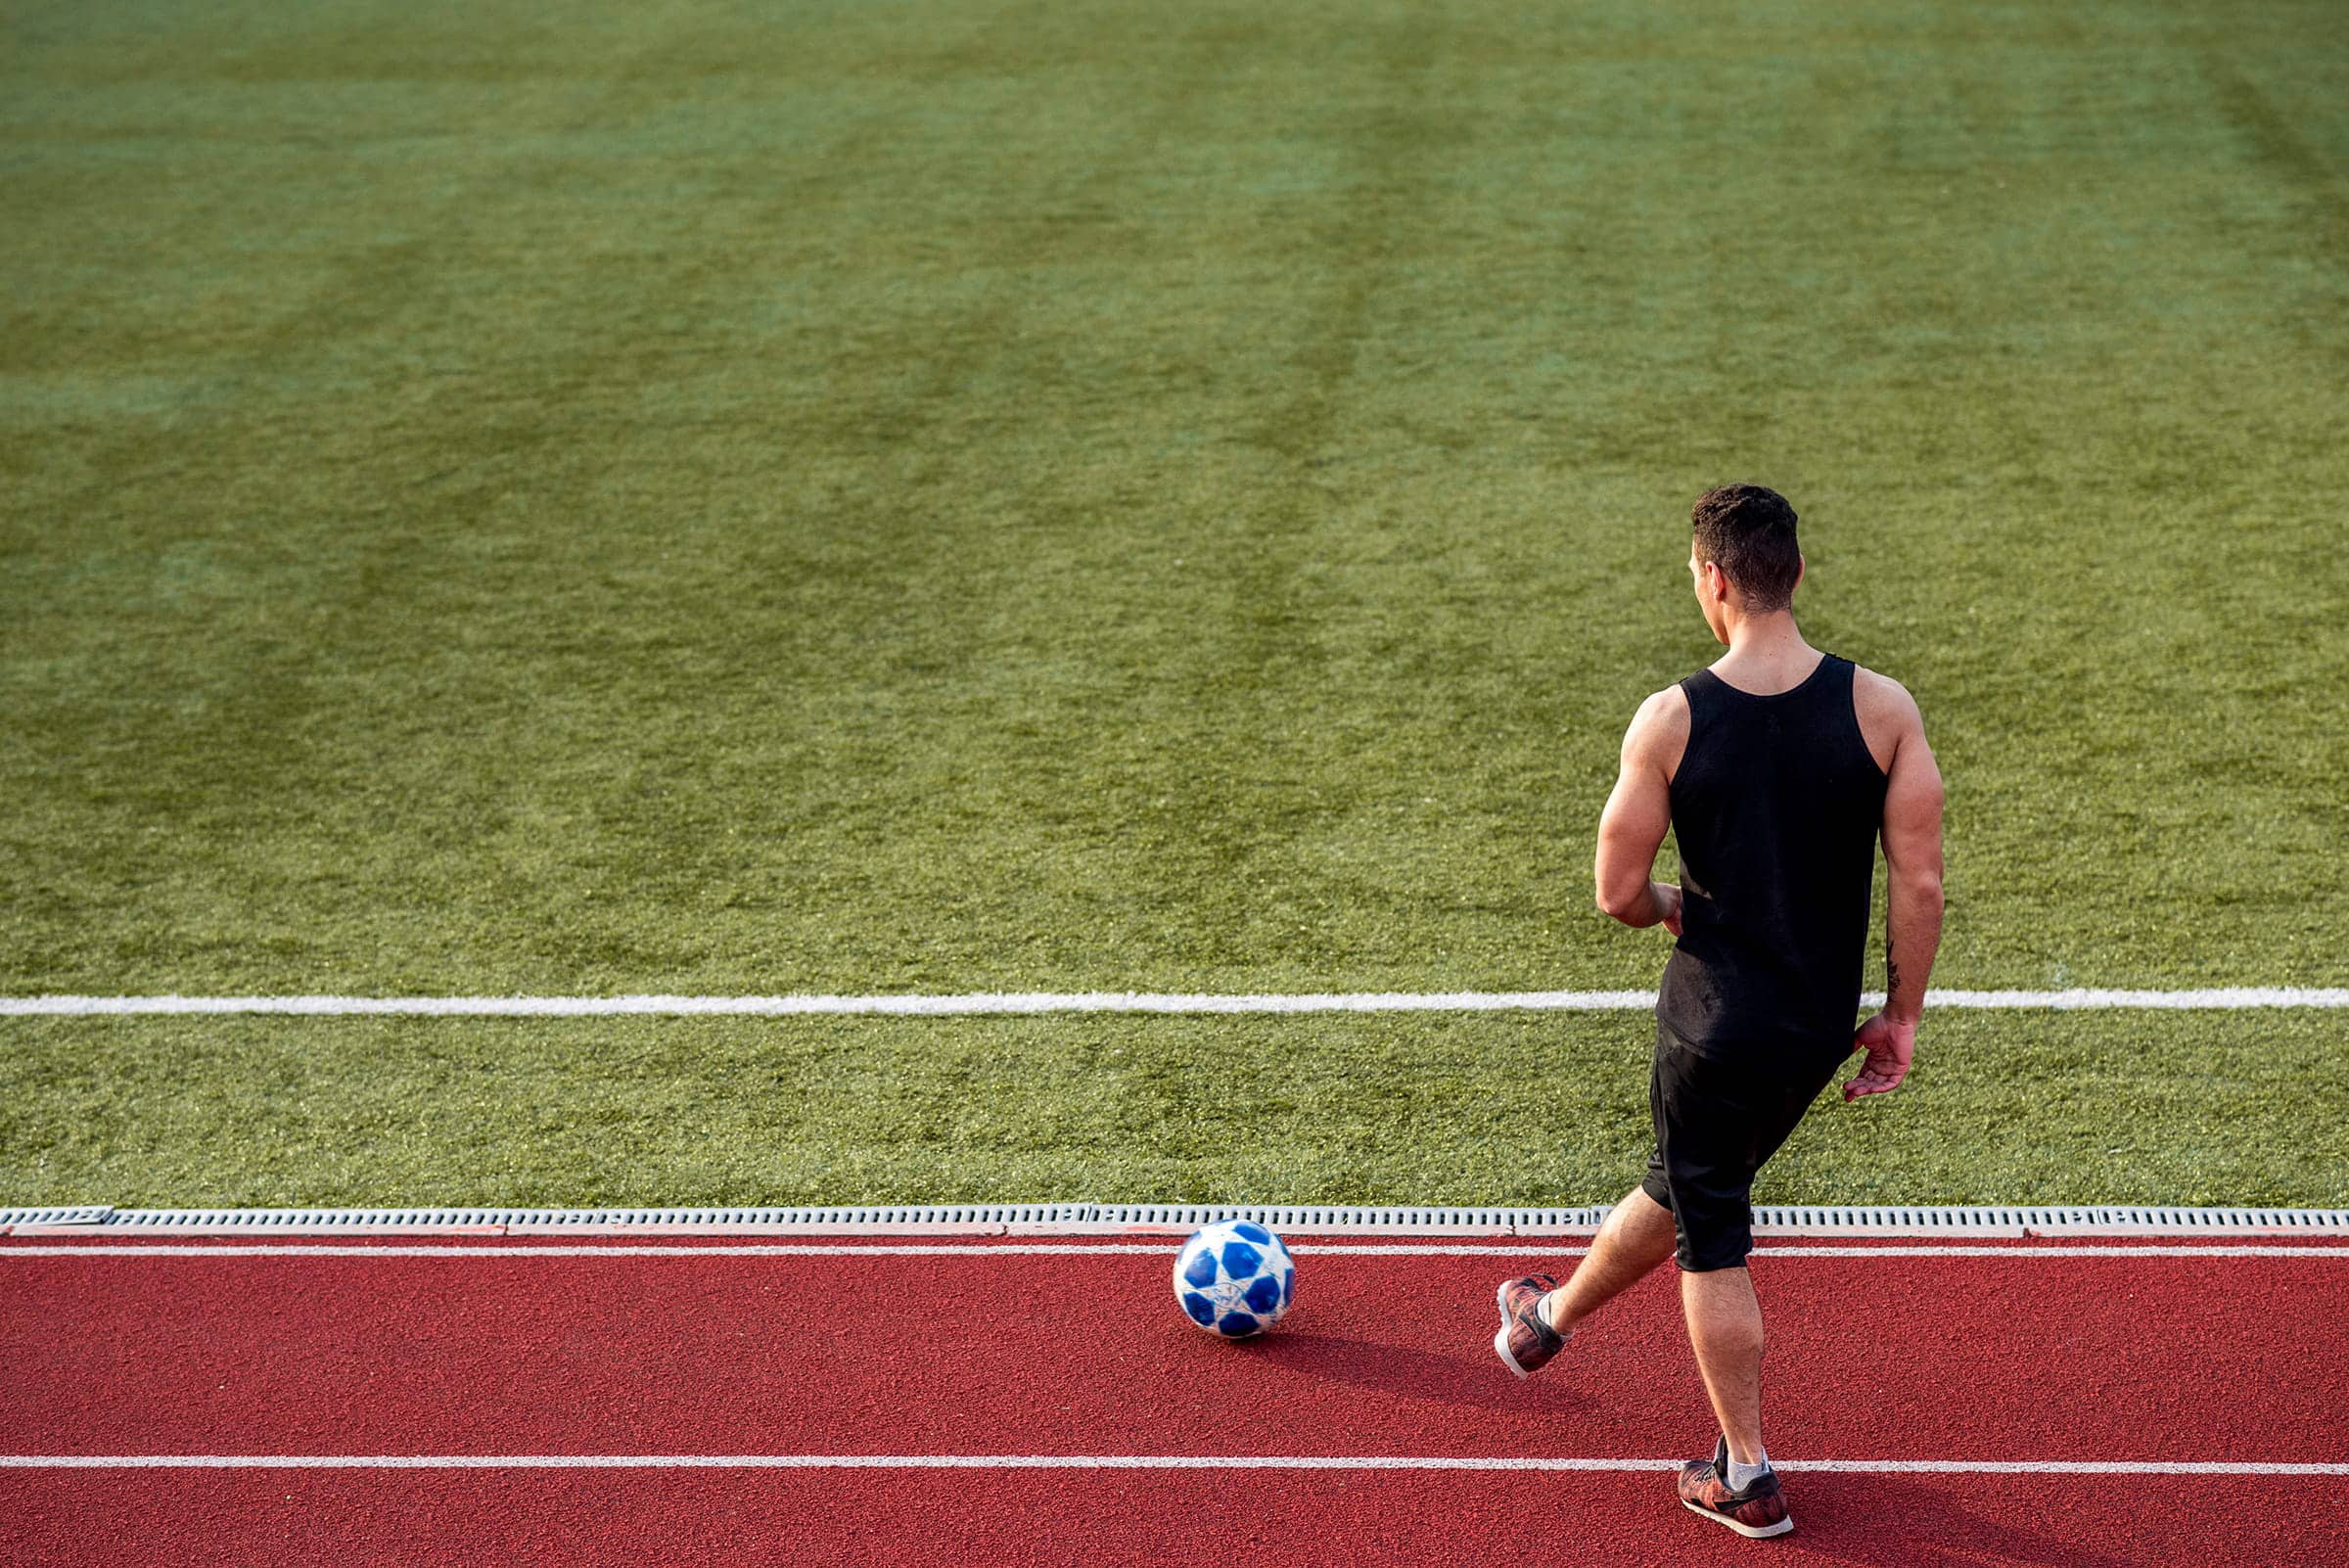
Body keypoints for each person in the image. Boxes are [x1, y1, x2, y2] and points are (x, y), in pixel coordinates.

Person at [1491, 484, 1946, 1540]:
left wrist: (1669, 908)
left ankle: (1746, 1471)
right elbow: (1918, 883)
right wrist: (1901, 1017)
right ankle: (1543, 1323)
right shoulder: (1883, 708)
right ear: (1795, 572)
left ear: (1712, 579)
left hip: (1714, 1030)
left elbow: (1616, 893)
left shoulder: (1673, 718)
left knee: (1714, 1234)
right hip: (1813, 1026)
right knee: (1693, 1182)